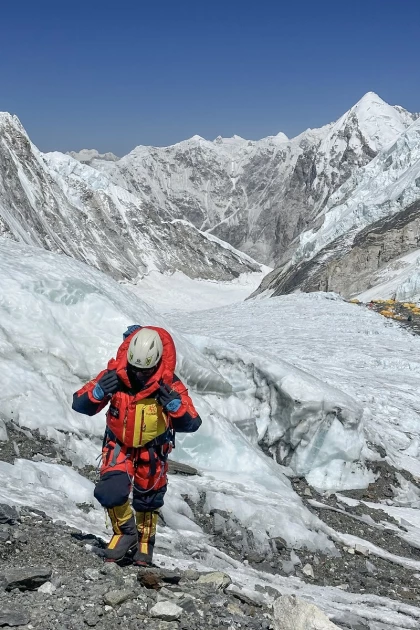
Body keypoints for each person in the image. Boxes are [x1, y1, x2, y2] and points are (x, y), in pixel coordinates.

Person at [72, 325, 202, 566]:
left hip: (153, 450)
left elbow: (193, 422)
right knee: (110, 490)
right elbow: (80, 404)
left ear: (158, 362)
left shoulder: (169, 384)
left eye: (146, 370)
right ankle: (125, 532)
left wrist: (175, 407)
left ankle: (145, 544)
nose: (139, 374)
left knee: (149, 498)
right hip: (118, 444)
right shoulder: (114, 376)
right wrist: (98, 392)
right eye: (135, 368)